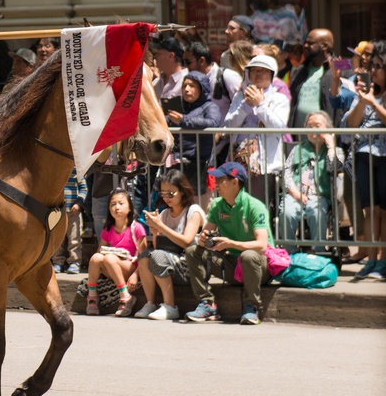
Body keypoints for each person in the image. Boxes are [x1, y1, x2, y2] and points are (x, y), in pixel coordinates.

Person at [184, 161, 273, 325]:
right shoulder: (217, 205)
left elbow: (262, 245)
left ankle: (251, 306)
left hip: (258, 267)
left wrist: (230, 243)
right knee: (192, 251)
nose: (216, 184)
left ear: (234, 182)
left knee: (248, 256)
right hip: (232, 264)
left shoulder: (254, 206)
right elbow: (206, 233)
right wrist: (204, 239)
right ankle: (207, 303)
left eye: (220, 180)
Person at [134, 170, 205, 320]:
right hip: (170, 262)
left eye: (171, 194)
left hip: (191, 265)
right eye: (163, 194)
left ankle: (170, 306)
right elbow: (157, 245)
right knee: (146, 256)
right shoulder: (165, 214)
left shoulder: (193, 211)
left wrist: (160, 226)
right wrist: (155, 231)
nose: (166, 198)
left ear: (182, 191)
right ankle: (150, 303)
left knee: (157, 256)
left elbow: (186, 241)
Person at [224, 55, 289, 206]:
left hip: (264, 164)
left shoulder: (279, 99)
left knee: (258, 206)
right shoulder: (239, 96)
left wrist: (260, 105)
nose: (258, 74)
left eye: (263, 71)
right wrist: (245, 107)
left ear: (272, 75)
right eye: (254, 70)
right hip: (238, 160)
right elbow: (229, 125)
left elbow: (278, 127)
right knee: (236, 205)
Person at [346, 40, 386, 281]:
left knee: (384, 211)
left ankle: (383, 260)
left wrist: (374, 104)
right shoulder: (365, 90)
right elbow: (352, 123)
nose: (374, 70)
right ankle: (371, 260)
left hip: (385, 156)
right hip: (364, 154)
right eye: (373, 66)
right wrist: (363, 100)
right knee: (369, 209)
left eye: (379, 66)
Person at [280, 110, 344, 253]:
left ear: (327, 129)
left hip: (320, 195)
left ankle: (318, 251)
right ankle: (289, 252)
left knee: (317, 213)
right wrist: (295, 193)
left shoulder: (336, 151)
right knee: (287, 212)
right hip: (296, 193)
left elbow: (333, 170)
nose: (313, 129)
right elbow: (286, 174)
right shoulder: (297, 149)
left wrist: (330, 147)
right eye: (310, 126)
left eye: (318, 125)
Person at [85, 187, 147, 317]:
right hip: (111, 266)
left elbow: (144, 256)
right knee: (96, 257)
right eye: (113, 204)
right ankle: (92, 296)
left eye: (121, 203)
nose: (116, 207)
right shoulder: (108, 229)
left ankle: (125, 297)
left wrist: (135, 275)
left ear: (129, 207)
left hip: (130, 266)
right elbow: (99, 251)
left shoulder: (137, 228)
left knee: (108, 258)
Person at [165, 70, 221, 198]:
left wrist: (183, 120)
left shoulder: (210, 107)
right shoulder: (179, 107)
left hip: (201, 166)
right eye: (184, 86)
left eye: (192, 86)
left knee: (202, 208)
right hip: (178, 165)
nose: (186, 89)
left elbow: (213, 122)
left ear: (203, 88)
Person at [52, 167, 86, 275]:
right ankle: (58, 261)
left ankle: (75, 262)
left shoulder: (78, 171)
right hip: (58, 211)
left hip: (73, 212)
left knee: (74, 238)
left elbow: (84, 189)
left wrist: (78, 203)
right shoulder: (57, 171)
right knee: (57, 238)